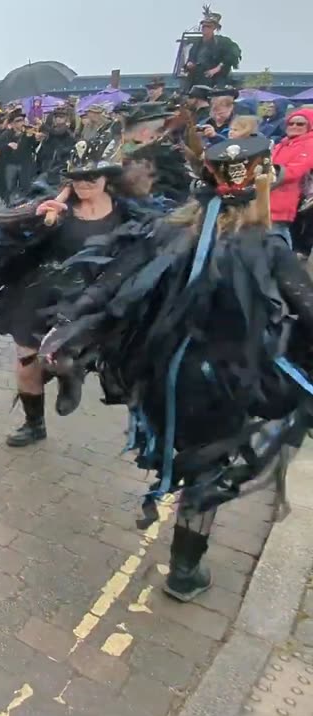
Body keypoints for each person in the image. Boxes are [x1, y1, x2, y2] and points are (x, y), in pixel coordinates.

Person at [40, 135, 307, 605]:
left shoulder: (168, 231)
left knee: (187, 453)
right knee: (206, 472)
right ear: (263, 182)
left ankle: (184, 554)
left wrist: (69, 327)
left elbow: (111, 287)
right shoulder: (267, 248)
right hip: (226, 382)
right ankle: (184, 571)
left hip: (165, 377)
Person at [0, 138, 141, 447]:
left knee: (64, 358)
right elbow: (2, 225)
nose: (83, 184)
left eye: (91, 177)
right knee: (27, 360)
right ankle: (34, 423)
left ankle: (69, 375)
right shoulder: (55, 206)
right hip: (43, 291)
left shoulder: (127, 214)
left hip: (96, 298)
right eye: (77, 177)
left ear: (108, 178)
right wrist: (37, 215)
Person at [272, 108, 313, 249]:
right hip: (270, 197)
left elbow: (296, 170)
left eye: (300, 124)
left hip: (287, 199)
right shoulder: (281, 144)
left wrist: (270, 174)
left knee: (279, 236)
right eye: (291, 123)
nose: (294, 126)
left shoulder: (310, 144)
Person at [181, 8, 242, 91]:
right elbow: (190, 60)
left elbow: (232, 56)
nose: (205, 28)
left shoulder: (223, 42)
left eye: (208, 26)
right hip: (197, 80)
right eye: (204, 26)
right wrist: (189, 64)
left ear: (214, 28)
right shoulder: (197, 44)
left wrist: (216, 69)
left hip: (216, 80)